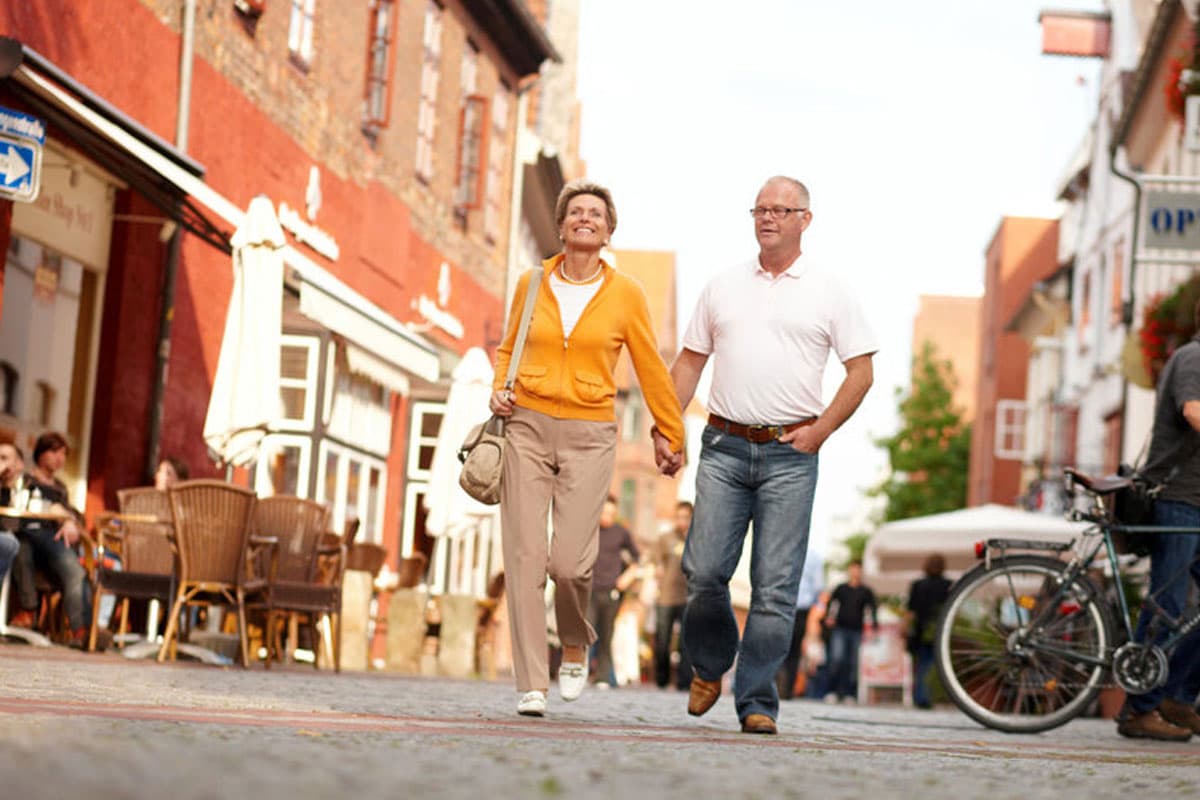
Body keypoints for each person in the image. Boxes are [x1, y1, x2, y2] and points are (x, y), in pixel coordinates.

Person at [653, 175, 877, 734]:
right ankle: (709, 664)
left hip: (792, 454)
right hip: (724, 446)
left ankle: (756, 700)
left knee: (776, 588)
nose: (767, 217)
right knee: (703, 572)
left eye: (781, 209)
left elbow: (862, 372)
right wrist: (666, 427)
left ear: (806, 218)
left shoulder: (830, 290)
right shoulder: (723, 285)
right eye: (760, 209)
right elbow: (687, 364)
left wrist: (821, 431)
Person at [488, 179, 686, 717]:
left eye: (595, 213)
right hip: (526, 425)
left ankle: (575, 639)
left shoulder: (627, 295)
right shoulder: (532, 282)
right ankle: (532, 681)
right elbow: (509, 348)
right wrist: (500, 387)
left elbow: (649, 365)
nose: (584, 218)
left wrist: (671, 430)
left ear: (608, 229)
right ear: (561, 225)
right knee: (526, 557)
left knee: (571, 565)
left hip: (590, 433)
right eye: (575, 211)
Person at [1116, 300, 1200, 742]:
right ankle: (1139, 708)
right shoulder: (1194, 357)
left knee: (1182, 610)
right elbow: (1193, 411)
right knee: (1167, 607)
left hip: (1196, 504)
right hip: (1177, 499)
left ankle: (1177, 697)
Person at [9, 432, 100, 648]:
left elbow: (74, 515)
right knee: (22, 546)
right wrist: (55, 511)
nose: (59, 458)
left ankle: (81, 629)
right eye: (54, 451)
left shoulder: (61, 488)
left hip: (53, 540)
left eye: (63, 454)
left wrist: (68, 520)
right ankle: (30, 612)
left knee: (73, 568)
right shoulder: (26, 480)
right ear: (41, 453)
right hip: (28, 533)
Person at [588, 495, 640, 688]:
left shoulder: (621, 533)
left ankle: (602, 677)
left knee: (606, 634)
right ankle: (581, 672)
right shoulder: (590, 529)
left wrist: (627, 578)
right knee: (587, 631)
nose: (607, 516)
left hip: (611, 591)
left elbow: (637, 558)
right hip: (590, 589)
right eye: (604, 512)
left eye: (611, 513)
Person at [824, 560, 878, 704]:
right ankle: (832, 691)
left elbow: (873, 609)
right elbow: (830, 603)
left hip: (856, 630)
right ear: (849, 570)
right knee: (837, 659)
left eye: (858, 569)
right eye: (853, 569)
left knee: (853, 663)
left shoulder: (866, 591)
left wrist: (873, 626)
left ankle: (850, 693)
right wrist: (828, 617)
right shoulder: (841, 588)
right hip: (840, 629)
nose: (855, 572)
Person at [652, 500, 693, 691]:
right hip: (666, 596)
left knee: (686, 642)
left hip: (688, 596)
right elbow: (656, 563)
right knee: (662, 640)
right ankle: (662, 679)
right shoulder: (665, 538)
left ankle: (684, 682)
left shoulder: (697, 539)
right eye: (679, 517)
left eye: (685, 517)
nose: (681, 521)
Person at [776, 548, 824, 700]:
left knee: (778, 646)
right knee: (794, 650)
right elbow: (818, 586)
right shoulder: (815, 556)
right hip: (802, 608)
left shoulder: (782, 551)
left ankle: (776, 686)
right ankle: (787, 688)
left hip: (781, 603)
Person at [905, 553, 950, 709]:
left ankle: (919, 696)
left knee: (920, 664)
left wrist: (905, 628)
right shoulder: (948, 585)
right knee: (933, 664)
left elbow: (911, 611)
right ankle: (926, 696)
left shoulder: (918, 584)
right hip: (939, 629)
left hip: (920, 629)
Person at [0, 442, 25, 586]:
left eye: (4, 458)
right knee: (9, 543)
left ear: (19, 464)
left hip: (23, 536)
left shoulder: (27, 483)